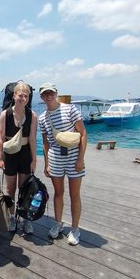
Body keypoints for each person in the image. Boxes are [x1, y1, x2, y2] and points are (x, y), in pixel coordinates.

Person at [38, 83, 87, 246]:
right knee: (58, 192)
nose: (48, 97)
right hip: (55, 158)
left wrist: (81, 158)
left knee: (74, 194)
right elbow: (45, 142)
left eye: (51, 93)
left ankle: (75, 228)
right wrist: (46, 163)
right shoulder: (42, 118)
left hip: (73, 158)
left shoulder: (70, 109)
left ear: (56, 93)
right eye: (45, 94)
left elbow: (83, 133)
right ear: (41, 97)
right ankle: (58, 223)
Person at [0, 82, 38, 234]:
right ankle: (12, 216)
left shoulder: (32, 115)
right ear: (14, 96)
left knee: (25, 188)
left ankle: (25, 218)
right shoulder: (5, 114)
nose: (23, 98)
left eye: (26, 96)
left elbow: (33, 139)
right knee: (10, 188)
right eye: (20, 95)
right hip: (10, 154)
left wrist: (34, 160)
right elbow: (0, 138)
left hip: (26, 153)